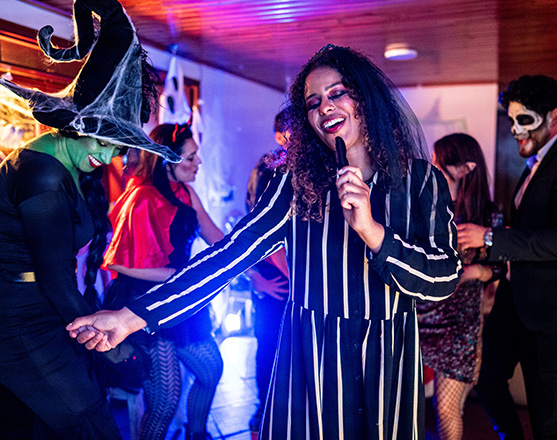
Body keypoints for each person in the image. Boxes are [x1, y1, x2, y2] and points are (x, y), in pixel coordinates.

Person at [68, 44, 461, 440]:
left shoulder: (422, 182)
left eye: (337, 93)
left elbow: (442, 279)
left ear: (364, 97)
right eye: (312, 102)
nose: (324, 107)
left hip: (388, 358)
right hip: (312, 358)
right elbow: (227, 257)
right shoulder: (297, 185)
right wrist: (131, 317)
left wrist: (373, 232)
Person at [0, 0, 179, 438]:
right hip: (19, 321)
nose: (112, 156)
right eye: (106, 140)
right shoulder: (41, 172)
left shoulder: (74, 167)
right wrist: (107, 348)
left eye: (121, 147)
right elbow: (58, 280)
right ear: (77, 125)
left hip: (44, 313)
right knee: (91, 427)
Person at [457, 75, 557, 440]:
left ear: (554, 117)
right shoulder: (536, 161)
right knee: (487, 379)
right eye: (512, 120)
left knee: (550, 426)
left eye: (525, 121)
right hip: (516, 302)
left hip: (554, 312)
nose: (516, 129)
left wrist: (490, 237)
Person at [102, 123, 224, 440]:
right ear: (167, 159)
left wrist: (252, 263)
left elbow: (217, 239)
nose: (197, 164)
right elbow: (116, 261)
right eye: (190, 158)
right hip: (146, 303)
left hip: (180, 295)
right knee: (165, 400)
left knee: (210, 371)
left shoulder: (185, 191)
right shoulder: (141, 197)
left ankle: (197, 433)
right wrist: (173, 276)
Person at [417, 133, 504, 440]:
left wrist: (474, 272)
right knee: (406, 405)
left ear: (465, 168)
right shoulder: (425, 207)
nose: (433, 165)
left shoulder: (485, 214)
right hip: (417, 318)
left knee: (447, 409)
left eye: (440, 162)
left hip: (458, 324)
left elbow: (500, 268)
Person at [245, 108, 291, 433]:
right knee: (270, 347)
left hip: (284, 274)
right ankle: (265, 413)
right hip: (277, 275)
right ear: (279, 136)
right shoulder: (271, 167)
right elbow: (264, 231)